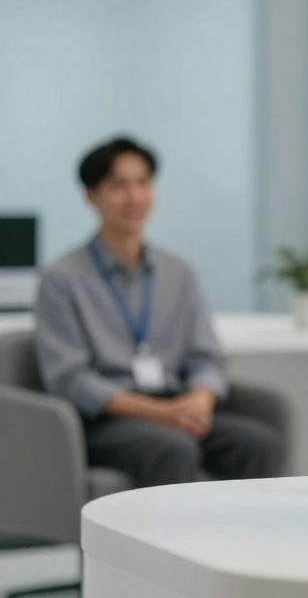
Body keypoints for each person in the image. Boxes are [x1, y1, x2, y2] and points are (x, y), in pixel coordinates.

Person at [34, 136, 284, 487]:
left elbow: (207, 357)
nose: (134, 197)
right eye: (119, 185)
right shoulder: (62, 278)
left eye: (143, 183)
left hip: (176, 406)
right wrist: (161, 414)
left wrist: (198, 400)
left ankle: (244, 543)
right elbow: (70, 379)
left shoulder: (179, 273)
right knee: (172, 448)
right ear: (92, 196)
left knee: (259, 444)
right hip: (107, 420)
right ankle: (164, 543)